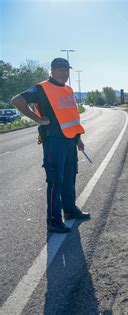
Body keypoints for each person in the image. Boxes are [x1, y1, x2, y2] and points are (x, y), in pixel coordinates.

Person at [11, 57, 90, 233]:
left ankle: (70, 210)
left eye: (67, 70)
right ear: (52, 71)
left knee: (70, 177)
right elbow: (17, 100)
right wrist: (38, 119)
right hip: (53, 141)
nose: (65, 73)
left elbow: (71, 116)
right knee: (55, 180)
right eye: (61, 69)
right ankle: (53, 221)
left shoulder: (69, 90)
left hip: (70, 141)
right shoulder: (41, 88)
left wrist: (78, 138)